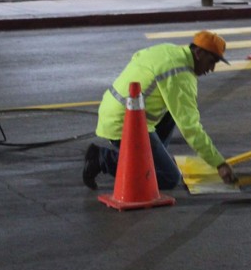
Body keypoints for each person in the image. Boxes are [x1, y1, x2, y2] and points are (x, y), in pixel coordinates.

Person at [82, 30, 238, 190]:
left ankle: (147, 157)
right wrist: (219, 163)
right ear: (198, 53)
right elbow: (190, 128)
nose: (211, 69)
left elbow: (137, 56)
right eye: (211, 61)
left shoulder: (170, 50)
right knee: (169, 177)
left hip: (114, 109)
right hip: (123, 125)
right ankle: (103, 159)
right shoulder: (180, 75)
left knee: (174, 110)